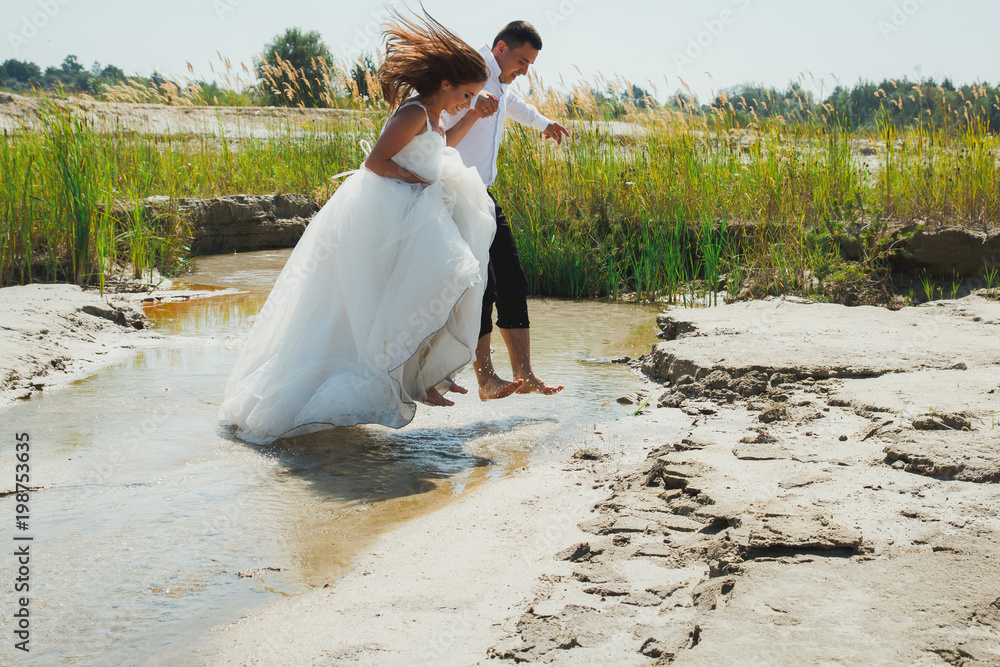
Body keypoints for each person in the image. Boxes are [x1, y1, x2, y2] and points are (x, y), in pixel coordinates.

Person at [218, 10, 495, 445]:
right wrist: (419, 182)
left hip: (415, 213)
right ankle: (397, 381)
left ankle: (419, 377)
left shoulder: (437, 115)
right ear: (445, 84)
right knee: (397, 293)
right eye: (466, 94)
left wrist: (472, 118)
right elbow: (376, 162)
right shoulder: (414, 112)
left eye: (473, 95)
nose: (468, 100)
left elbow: (437, 149)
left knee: (437, 284)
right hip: (387, 213)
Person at [442, 20, 570, 401]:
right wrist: (469, 104)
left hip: (483, 195)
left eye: (529, 64)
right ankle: (485, 379)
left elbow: (515, 106)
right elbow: (437, 117)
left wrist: (545, 124)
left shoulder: (499, 83)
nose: (524, 71)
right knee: (483, 286)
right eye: (521, 60)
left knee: (513, 277)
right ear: (500, 48)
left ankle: (524, 373)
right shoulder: (468, 72)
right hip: (453, 195)